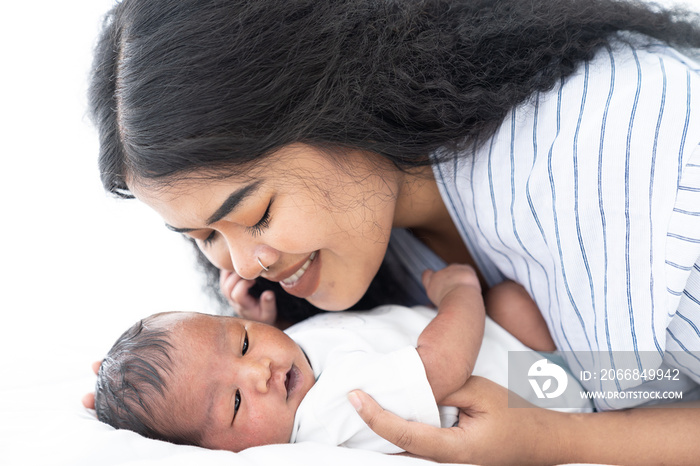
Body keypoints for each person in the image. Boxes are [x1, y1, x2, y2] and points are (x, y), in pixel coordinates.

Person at [87, 0, 700, 463]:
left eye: (256, 214)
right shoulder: (376, 256)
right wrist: (153, 407)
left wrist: (564, 438)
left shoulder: (625, 158)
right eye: (204, 236)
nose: (244, 264)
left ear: (337, 103)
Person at [94, 265, 571, 452]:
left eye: (241, 341)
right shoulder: (326, 413)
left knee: (512, 305)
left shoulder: (289, 371)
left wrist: (260, 320)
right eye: (236, 403)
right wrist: (460, 295)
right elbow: (441, 370)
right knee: (512, 303)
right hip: (529, 389)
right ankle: (624, 390)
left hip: (505, 353)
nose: (258, 371)